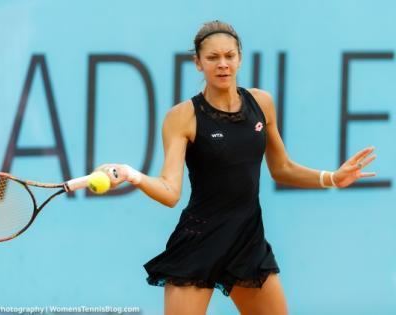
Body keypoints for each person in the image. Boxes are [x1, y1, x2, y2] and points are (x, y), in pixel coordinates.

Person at [96, 20, 376, 315]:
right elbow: (169, 192)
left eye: (229, 56)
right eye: (212, 58)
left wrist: (332, 177)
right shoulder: (182, 117)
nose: (223, 65)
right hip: (199, 241)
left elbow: (281, 168)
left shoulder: (262, 103)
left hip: (247, 241)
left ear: (239, 58)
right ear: (198, 63)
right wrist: (132, 175)